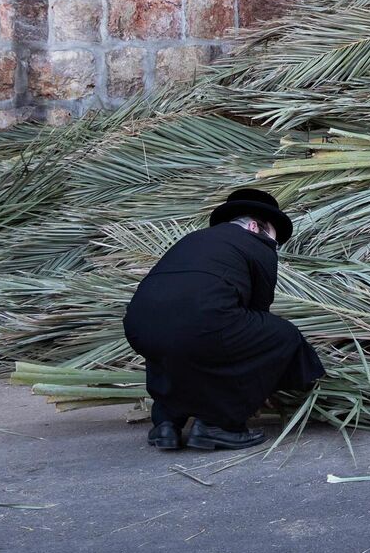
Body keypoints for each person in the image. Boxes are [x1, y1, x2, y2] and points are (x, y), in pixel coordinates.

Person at [123, 188, 324, 452]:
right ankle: (218, 425)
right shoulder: (258, 245)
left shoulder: (194, 239)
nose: (274, 246)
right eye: (274, 238)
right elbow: (259, 310)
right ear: (254, 226)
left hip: (138, 325)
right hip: (202, 323)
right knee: (280, 336)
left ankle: (166, 425)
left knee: (173, 344)